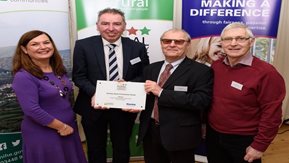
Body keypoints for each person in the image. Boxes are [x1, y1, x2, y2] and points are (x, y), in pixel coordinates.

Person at [72, 8, 149, 163]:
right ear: (97, 25)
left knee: (121, 147)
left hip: (124, 107)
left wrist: (129, 84)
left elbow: (144, 75)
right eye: (105, 23)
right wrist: (96, 93)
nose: (111, 28)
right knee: (95, 148)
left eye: (117, 24)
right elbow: (78, 76)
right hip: (92, 105)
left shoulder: (137, 48)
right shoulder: (83, 46)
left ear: (124, 26)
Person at [206, 22, 286, 163]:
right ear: (222, 43)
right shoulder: (216, 66)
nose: (233, 43)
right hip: (214, 134)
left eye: (240, 38)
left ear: (251, 41)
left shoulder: (266, 73)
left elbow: (272, 114)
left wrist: (259, 146)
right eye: (228, 39)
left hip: (244, 140)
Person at [137, 28, 214, 163]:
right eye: (167, 41)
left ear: (188, 44)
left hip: (180, 135)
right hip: (151, 131)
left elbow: (200, 101)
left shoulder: (201, 71)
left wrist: (161, 92)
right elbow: (146, 97)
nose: (172, 44)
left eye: (178, 41)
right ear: (161, 43)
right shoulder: (151, 69)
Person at [12, 30, 87, 163]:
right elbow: (31, 110)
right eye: (35, 44)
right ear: (24, 49)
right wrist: (61, 127)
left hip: (69, 130)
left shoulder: (57, 69)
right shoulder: (23, 76)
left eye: (46, 42)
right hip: (45, 134)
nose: (43, 47)